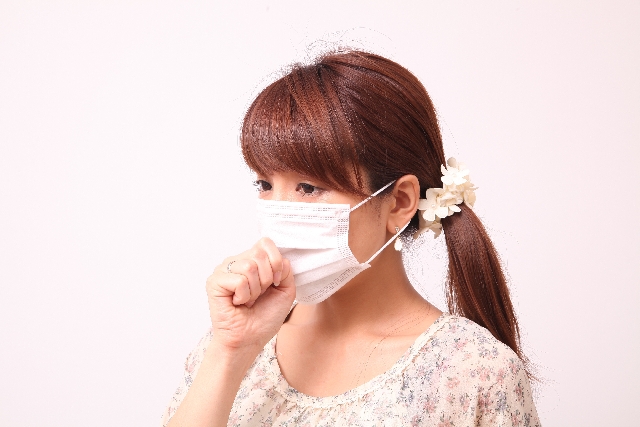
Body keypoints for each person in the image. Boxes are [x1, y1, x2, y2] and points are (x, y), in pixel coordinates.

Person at [161, 50, 540, 426]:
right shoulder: (232, 344)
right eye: (264, 184)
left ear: (399, 202)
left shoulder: (474, 372)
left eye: (308, 187)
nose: (278, 212)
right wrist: (229, 351)